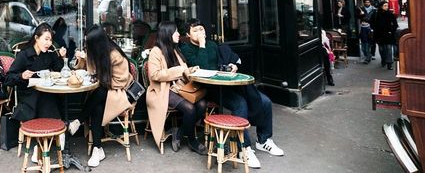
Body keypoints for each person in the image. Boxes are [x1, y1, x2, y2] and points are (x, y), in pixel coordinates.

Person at [180, 20, 284, 168]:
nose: (200, 33)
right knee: (240, 103)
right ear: (187, 34)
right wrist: (202, 45)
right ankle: (244, 148)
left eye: (202, 29)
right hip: (208, 89)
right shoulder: (186, 48)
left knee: (265, 101)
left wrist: (233, 66)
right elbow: (203, 70)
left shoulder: (213, 46)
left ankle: (264, 140)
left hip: (227, 84)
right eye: (195, 30)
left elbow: (224, 62)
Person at [68, 25, 133, 167]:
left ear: (96, 43)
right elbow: (88, 71)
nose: (86, 45)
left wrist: (99, 80)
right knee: (97, 107)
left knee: (101, 92)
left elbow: (120, 81)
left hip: (119, 92)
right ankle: (97, 148)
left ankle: (79, 120)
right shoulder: (97, 52)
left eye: (88, 43)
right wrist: (84, 59)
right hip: (102, 92)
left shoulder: (115, 55)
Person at [146, 20, 207, 157]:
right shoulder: (156, 52)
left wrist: (190, 69)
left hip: (179, 87)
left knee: (202, 104)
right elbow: (154, 75)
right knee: (190, 109)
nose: (179, 34)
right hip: (163, 89)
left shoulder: (174, 49)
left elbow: (183, 69)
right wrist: (178, 70)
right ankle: (192, 141)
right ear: (168, 34)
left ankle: (179, 132)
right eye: (176, 32)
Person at [6, 23, 67, 122]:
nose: (49, 43)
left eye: (51, 40)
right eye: (46, 39)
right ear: (36, 38)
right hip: (29, 97)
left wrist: (61, 57)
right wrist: (21, 75)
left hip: (46, 93)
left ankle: (56, 129)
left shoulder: (48, 54)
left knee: (55, 99)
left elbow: (58, 71)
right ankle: (56, 129)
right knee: (49, 101)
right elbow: (8, 79)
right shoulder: (24, 55)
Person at [373, 1, 398, 70]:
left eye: (387, 5)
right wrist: (374, 29)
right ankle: (383, 60)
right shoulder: (376, 14)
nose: (386, 7)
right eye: (385, 5)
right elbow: (372, 22)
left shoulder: (390, 14)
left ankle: (389, 63)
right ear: (381, 6)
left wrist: (391, 31)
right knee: (381, 49)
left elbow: (395, 24)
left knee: (389, 48)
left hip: (388, 34)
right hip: (379, 34)